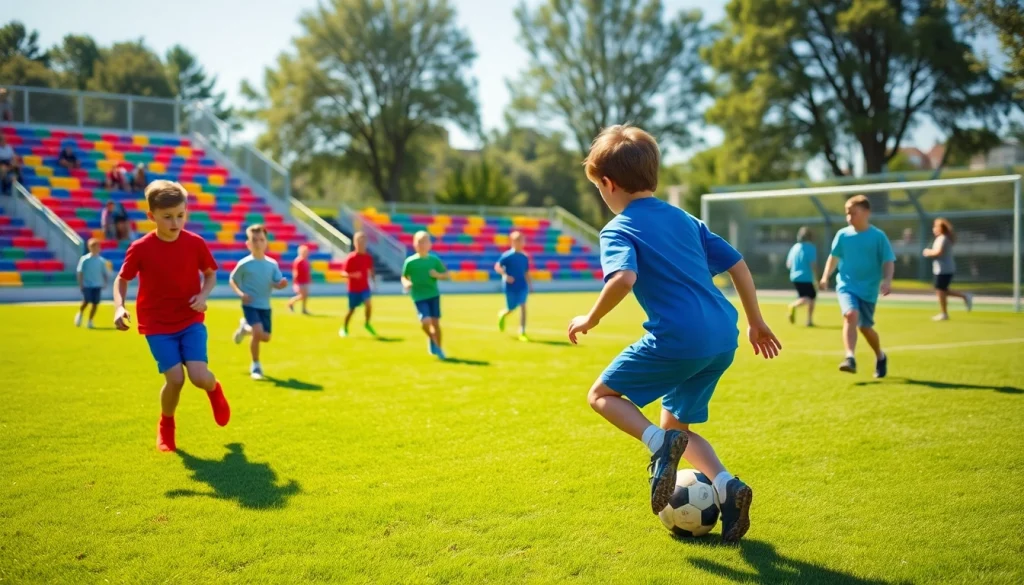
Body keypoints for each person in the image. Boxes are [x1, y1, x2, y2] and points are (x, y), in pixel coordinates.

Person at [566, 125, 781, 544]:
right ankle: (726, 486)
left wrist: (590, 318)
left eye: (598, 188)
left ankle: (657, 444)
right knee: (677, 424)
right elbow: (738, 265)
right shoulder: (686, 220)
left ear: (608, 184)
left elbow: (624, 278)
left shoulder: (618, 228)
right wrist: (756, 322)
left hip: (680, 337)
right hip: (724, 334)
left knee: (601, 396)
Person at [112, 180, 230, 452]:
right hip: (156, 324)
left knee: (199, 377)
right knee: (175, 379)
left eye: (181, 215)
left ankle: (215, 390)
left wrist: (203, 296)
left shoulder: (195, 243)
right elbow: (122, 279)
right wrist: (119, 306)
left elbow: (211, 274)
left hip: (190, 319)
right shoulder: (140, 248)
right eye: (167, 217)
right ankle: (166, 424)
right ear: (151, 216)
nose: (175, 222)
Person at [819, 195, 895, 377]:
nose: (849, 217)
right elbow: (833, 257)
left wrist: (887, 280)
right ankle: (850, 357)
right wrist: (825, 277)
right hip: (846, 285)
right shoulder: (843, 235)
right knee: (850, 315)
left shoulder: (878, 236)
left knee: (865, 328)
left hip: (868, 290)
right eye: (847, 213)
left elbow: (888, 260)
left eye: (853, 212)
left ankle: (880, 356)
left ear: (867, 212)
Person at [231, 224, 289, 380]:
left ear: (266, 243)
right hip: (250, 305)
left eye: (261, 239)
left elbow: (276, 282)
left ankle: (244, 328)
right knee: (257, 332)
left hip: (265, 306)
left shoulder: (272, 264)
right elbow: (233, 280)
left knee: (266, 337)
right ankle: (256, 366)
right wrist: (241, 293)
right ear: (248, 244)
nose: (258, 243)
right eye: (254, 240)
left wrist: (281, 285)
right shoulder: (244, 264)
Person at [402, 231, 449, 360]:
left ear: (430, 245)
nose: (422, 244)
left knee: (435, 323)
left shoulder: (434, 260)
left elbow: (446, 274)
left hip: (433, 295)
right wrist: (406, 283)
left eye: (425, 242)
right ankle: (431, 338)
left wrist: (438, 275)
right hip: (418, 296)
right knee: (425, 322)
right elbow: (404, 276)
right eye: (419, 241)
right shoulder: (410, 262)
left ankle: (439, 349)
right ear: (414, 244)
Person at [922, 218, 973, 321]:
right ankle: (964, 296)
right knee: (942, 291)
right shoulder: (940, 238)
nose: (934, 229)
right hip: (940, 269)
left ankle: (944, 313)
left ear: (940, 228)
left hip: (944, 269)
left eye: (935, 226)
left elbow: (939, 252)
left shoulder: (943, 238)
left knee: (941, 291)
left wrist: (928, 252)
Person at [495, 231, 532, 340]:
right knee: (511, 308)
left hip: (522, 286)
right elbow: (497, 266)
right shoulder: (507, 256)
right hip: (510, 286)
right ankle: (503, 314)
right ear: (512, 242)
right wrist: (505, 275)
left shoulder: (525, 257)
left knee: (523, 306)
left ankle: (522, 331)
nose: (520, 242)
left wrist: (530, 285)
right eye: (517, 240)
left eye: (521, 240)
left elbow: (526, 272)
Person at [339, 232, 377, 337]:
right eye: (359, 242)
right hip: (353, 289)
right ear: (355, 243)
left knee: (368, 304)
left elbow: (371, 270)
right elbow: (342, 273)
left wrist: (374, 282)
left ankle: (367, 323)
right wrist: (353, 275)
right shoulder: (351, 258)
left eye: (363, 242)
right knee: (352, 310)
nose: (361, 244)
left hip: (365, 288)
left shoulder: (368, 257)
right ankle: (344, 327)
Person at [785, 227, 818, 327]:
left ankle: (809, 321)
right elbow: (813, 264)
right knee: (810, 298)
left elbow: (788, 264)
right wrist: (817, 277)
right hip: (806, 277)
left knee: (807, 297)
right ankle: (794, 306)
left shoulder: (795, 247)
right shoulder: (811, 248)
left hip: (794, 276)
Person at [75, 238, 109, 329]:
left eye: (97, 247)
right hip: (87, 285)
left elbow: (104, 273)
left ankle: (90, 321)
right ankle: (80, 313)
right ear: (89, 248)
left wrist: (105, 283)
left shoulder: (101, 261)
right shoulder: (84, 259)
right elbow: (80, 272)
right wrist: (81, 284)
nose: (95, 249)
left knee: (95, 303)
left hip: (97, 285)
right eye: (93, 247)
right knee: (86, 301)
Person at [287, 245, 312, 314]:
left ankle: (304, 309)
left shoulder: (306, 261)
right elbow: (295, 272)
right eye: (305, 251)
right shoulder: (298, 261)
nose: (306, 253)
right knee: (302, 296)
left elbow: (308, 272)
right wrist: (295, 281)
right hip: (299, 282)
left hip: (305, 281)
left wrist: (310, 279)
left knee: (305, 296)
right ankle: (290, 303)